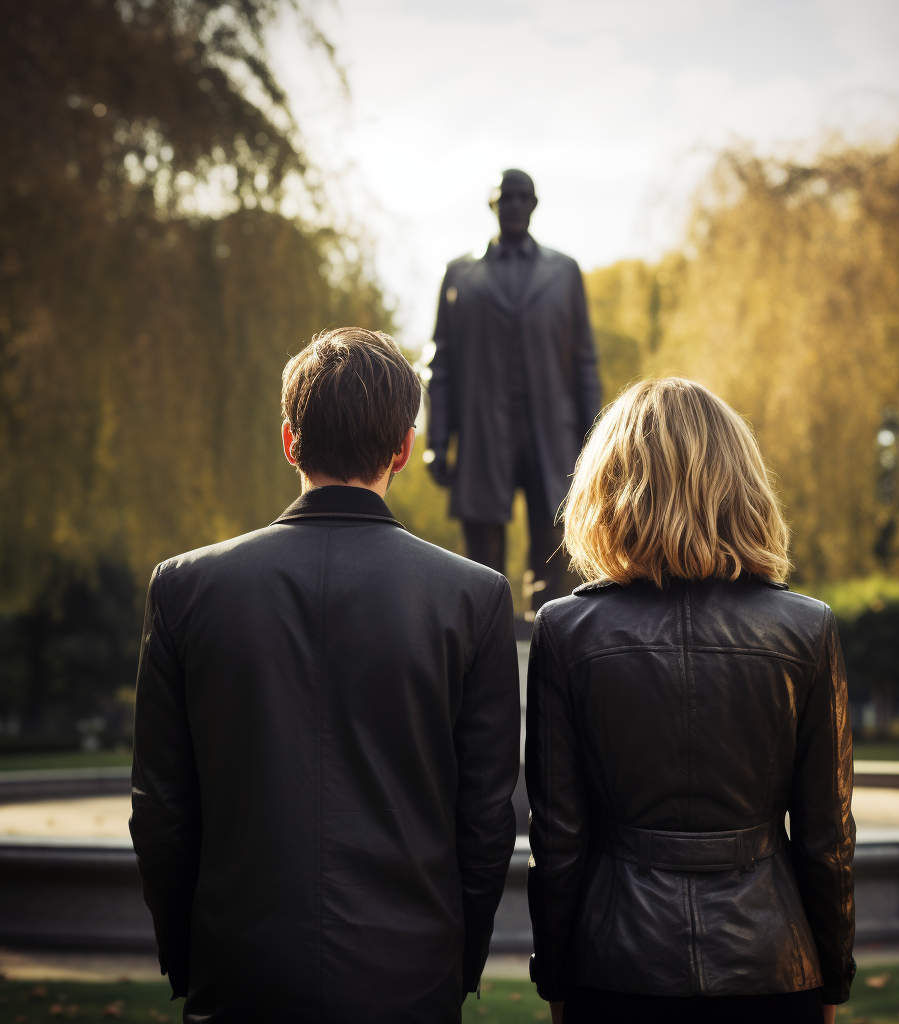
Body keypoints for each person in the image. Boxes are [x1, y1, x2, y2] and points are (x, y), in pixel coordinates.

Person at [130, 328, 521, 1023]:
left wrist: (191, 956)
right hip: (410, 979)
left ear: (289, 440)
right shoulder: (474, 597)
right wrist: (455, 961)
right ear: (404, 448)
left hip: (240, 974)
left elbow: (161, 809)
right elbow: (486, 822)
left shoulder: (185, 590)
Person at [526, 378, 856, 1024]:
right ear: (741, 482)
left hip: (614, 965)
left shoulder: (565, 631)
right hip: (772, 963)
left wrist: (557, 978)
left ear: (608, 483)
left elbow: (559, 839)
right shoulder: (806, 629)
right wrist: (831, 978)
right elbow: (827, 841)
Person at [425, 169, 602, 611]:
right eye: (505, 198)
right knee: (480, 562)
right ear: (492, 205)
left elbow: (584, 360)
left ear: (535, 205)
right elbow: (439, 365)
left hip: (553, 434)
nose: (514, 206)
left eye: (523, 198)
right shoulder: (460, 275)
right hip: (483, 431)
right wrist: (436, 441)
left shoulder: (564, 272)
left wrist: (595, 443)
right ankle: (483, 639)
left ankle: (552, 641)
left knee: (555, 550)